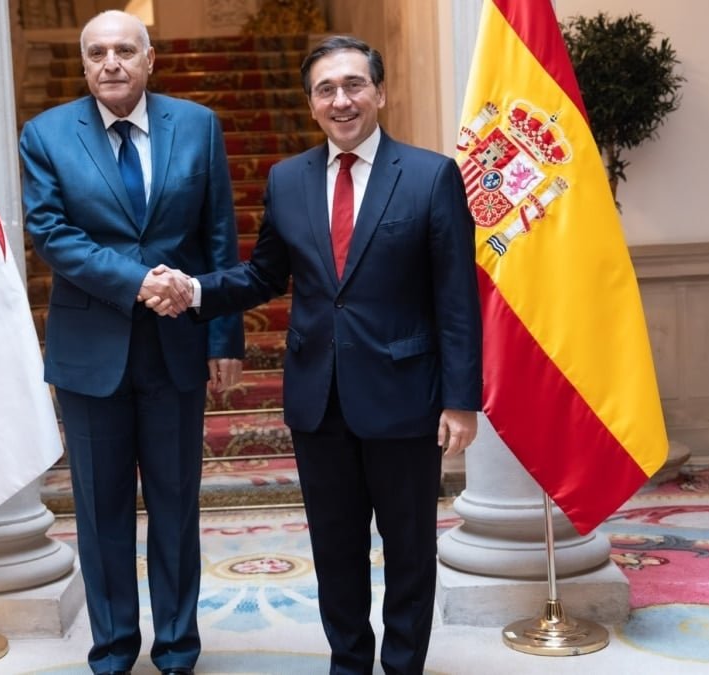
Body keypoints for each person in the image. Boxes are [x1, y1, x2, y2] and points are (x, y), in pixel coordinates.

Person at [146, 36, 482, 675]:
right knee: (335, 550)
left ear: (380, 93)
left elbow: (457, 299)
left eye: (354, 85)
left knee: (409, 552)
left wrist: (461, 400)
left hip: (405, 397)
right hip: (318, 400)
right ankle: (348, 664)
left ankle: (403, 666)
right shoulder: (287, 178)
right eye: (326, 90)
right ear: (311, 104)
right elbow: (263, 275)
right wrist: (194, 289)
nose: (341, 100)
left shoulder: (431, 175)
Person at [18, 10, 244, 675]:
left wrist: (224, 333)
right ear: (84, 64)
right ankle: (114, 649)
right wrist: (138, 280)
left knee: (176, 507)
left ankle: (176, 649)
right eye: (96, 53)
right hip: (91, 353)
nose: (110, 62)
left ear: (150, 59)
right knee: (100, 510)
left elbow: (219, 233)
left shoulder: (197, 125)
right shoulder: (46, 134)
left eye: (123, 50)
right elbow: (51, 233)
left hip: (177, 347)